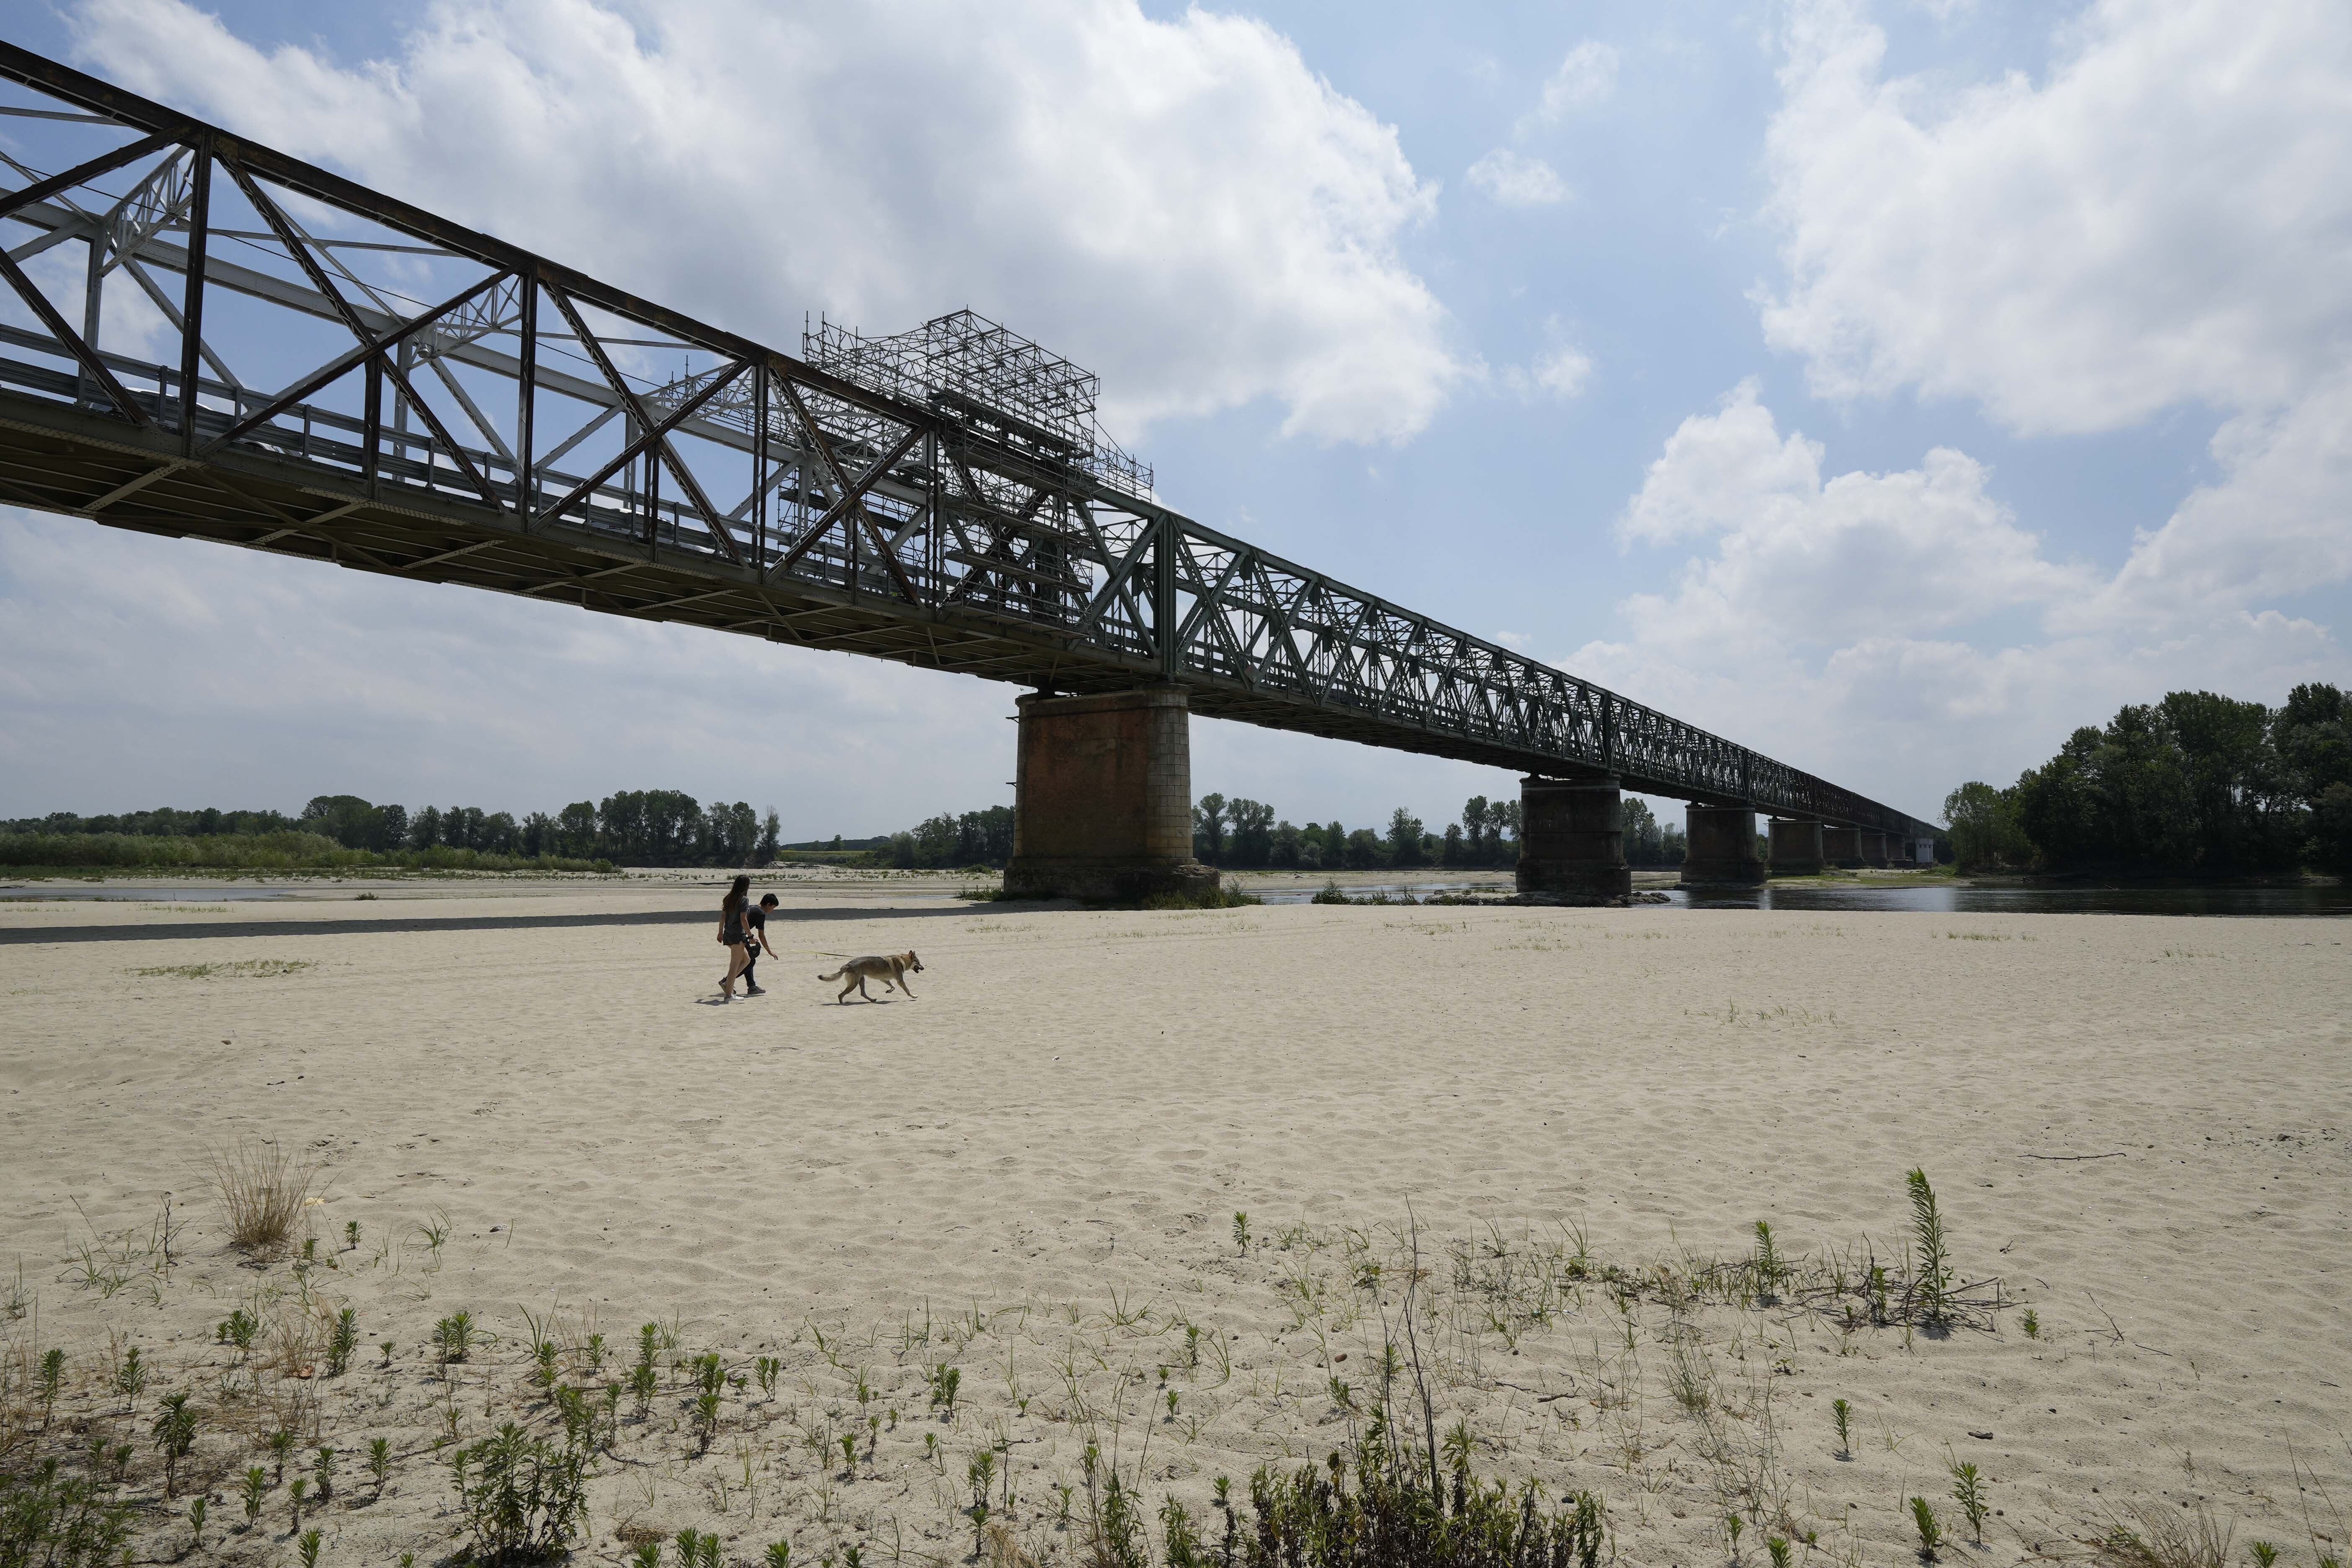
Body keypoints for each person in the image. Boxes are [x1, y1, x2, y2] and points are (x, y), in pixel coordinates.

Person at [716, 874, 752, 1002]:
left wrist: (720, 933)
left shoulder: (729, 898)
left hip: (728, 935)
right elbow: (744, 919)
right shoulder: (743, 899)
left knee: (747, 959)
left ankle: (727, 984)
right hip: (738, 935)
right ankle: (729, 996)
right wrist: (751, 936)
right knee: (734, 965)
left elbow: (722, 917)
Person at [740, 893, 780, 995]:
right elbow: (762, 935)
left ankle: (752, 987)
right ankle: (727, 981)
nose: (773, 910)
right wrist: (769, 951)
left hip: (735, 933)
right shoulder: (761, 913)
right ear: (768, 905)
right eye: (773, 907)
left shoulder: (753, 907)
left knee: (749, 960)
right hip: (739, 936)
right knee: (750, 961)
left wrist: (750, 936)